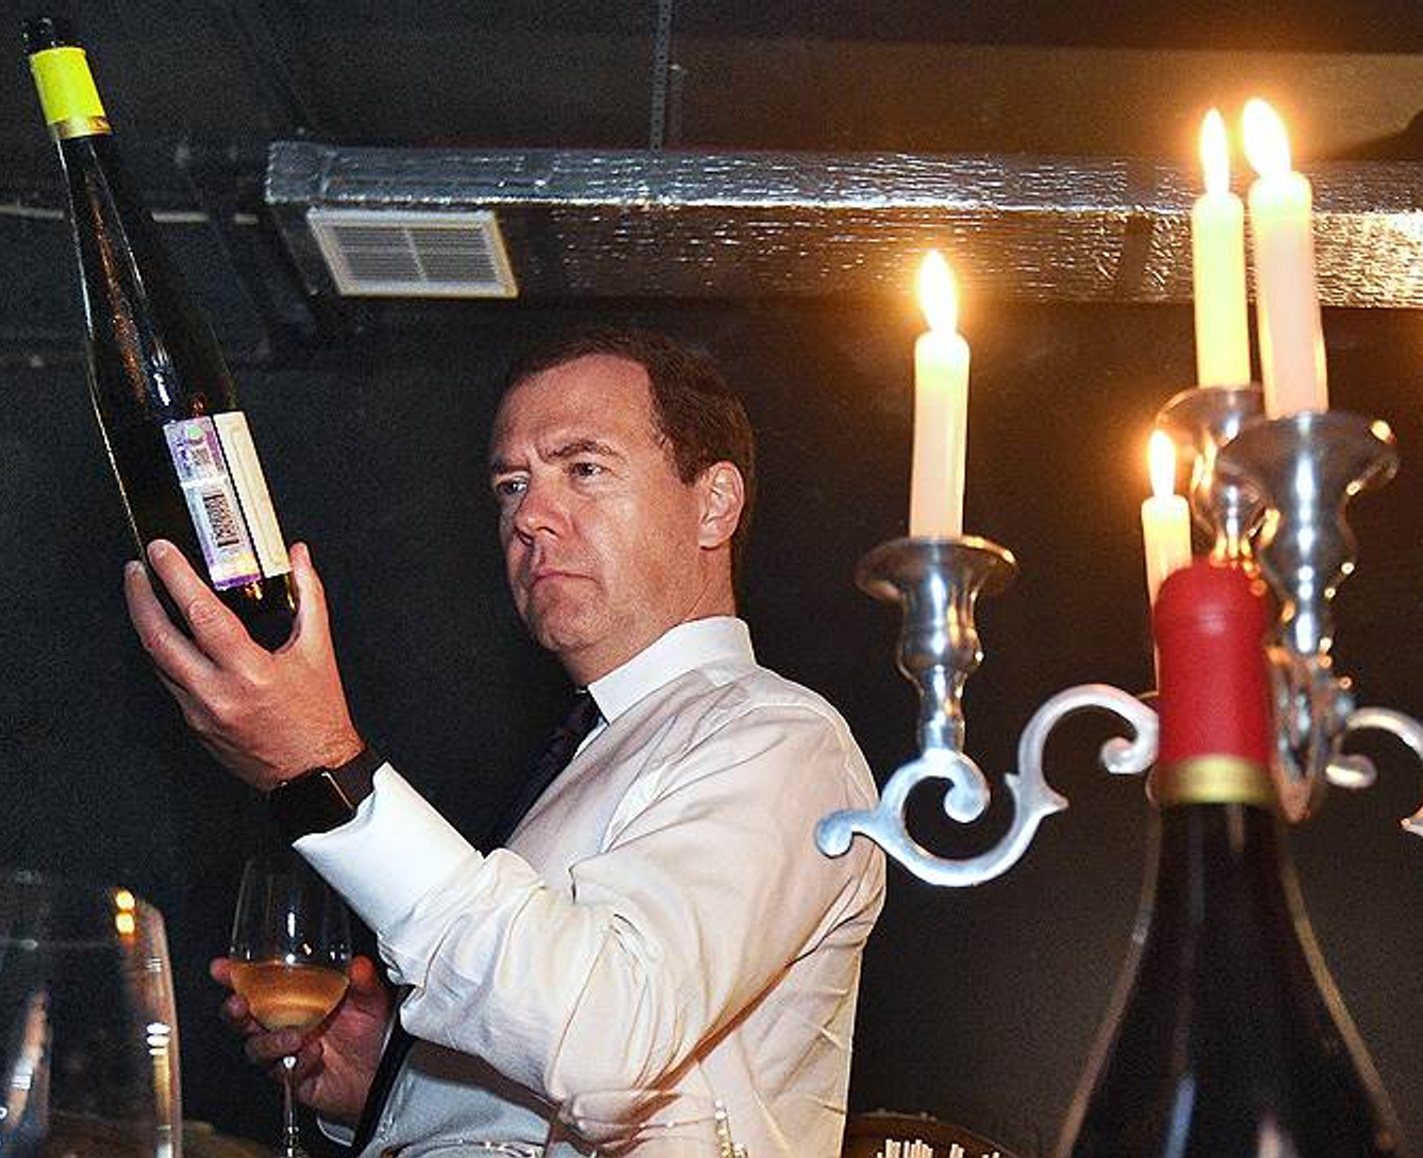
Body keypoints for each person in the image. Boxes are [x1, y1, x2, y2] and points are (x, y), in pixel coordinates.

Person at [123, 330, 887, 1158]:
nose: (529, 515)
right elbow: (558, 1059)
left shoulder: (779, 738)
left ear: (714, 504)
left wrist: (327, 769)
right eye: (511, 484)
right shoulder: (591, 750)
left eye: (583, 468)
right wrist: (396, 1084)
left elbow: (609, 1038)